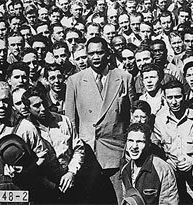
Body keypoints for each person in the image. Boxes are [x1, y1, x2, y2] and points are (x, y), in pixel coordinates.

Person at [65, 36, 136, 204]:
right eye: (91, 54)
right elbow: (70, 122)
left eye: (100, 53)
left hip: (116, 153)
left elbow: (133, 117)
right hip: (88, 154)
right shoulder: (75, 81)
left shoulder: (124, 77)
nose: (96, 57)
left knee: (120, 200)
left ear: (108, 54)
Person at [0, 81, 52, 202]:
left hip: (21, 193)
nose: (1, 106)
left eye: (5, 100)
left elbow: (43, 155)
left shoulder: (25, 127)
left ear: (11, 100)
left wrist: (27, 170)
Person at [22, 85, 85, 203]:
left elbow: (78, 149)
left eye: (44, 103)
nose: (43, 108)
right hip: (43, 189)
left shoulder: (64, 121)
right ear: (27, 108)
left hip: (69, 184)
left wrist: (71, 172)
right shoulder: (25, 129)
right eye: (36, 106)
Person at [153, 80, 193, 204]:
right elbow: (157, 149)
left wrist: (192, 161)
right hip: (172, 175)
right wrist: (167, 162)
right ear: (164, 98)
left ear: (185, 96)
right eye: (170, 98)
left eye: (178, 97)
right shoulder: (160, 121)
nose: (174, 102)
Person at [121, 123, 179, 205]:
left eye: (140, 141)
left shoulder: (162, 169)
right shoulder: (125, 170)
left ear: (148, 143)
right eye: (130, 141)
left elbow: (169, 202)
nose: (134, 146)